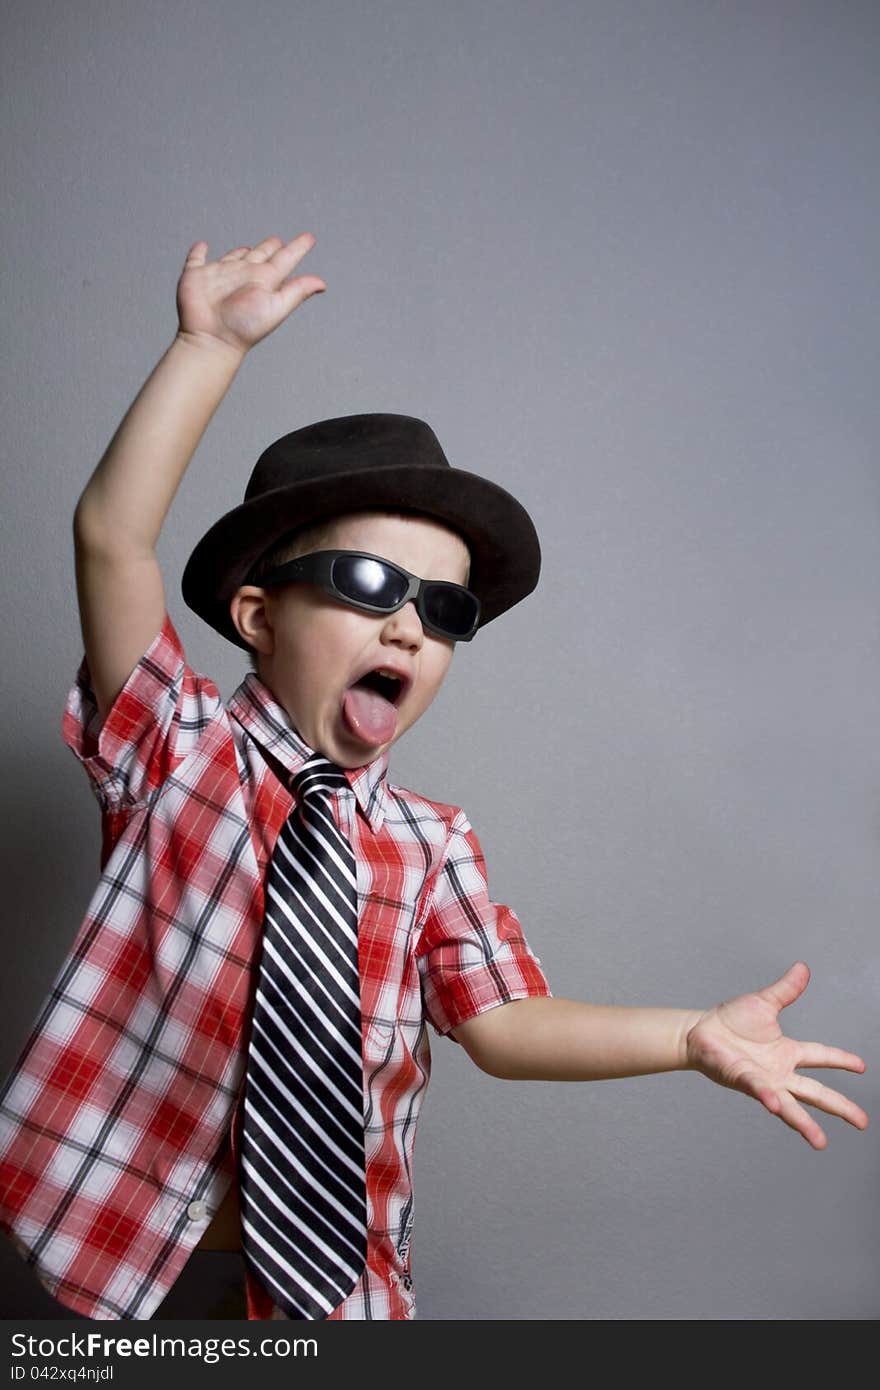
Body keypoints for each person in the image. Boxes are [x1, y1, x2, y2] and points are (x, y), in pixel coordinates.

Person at [0, 233, 869, 1323]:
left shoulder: (430, 843)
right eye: (369, 584)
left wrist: (689, 1038)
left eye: (446, 610)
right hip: (119, 1260)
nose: (409, 626)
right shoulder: (175, 749)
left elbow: (503, 1024)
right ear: (258, 618)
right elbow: (111, 538)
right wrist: (205, 346)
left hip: (328, 1283)